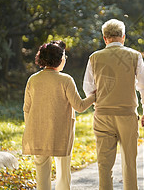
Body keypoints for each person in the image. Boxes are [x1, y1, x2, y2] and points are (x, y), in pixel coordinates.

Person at [83, 19, 144, 190]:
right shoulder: (134, 56)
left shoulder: (94, 58)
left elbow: (89, 88)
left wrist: (98, 101)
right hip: (127, 115)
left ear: (104, 38)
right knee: (129, 162)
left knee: (104, 165)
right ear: (123, 37)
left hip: (102, 116)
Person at [22, 40, 95, 190]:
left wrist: (31, 128)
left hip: (38, 133)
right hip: (60, 133)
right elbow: (79, 106)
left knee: (42, 175)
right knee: (63, 173)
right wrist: (94, 96)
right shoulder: (66, 80)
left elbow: (26, 109)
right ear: (60, 59)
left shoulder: (33, 80)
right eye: (64, 56)